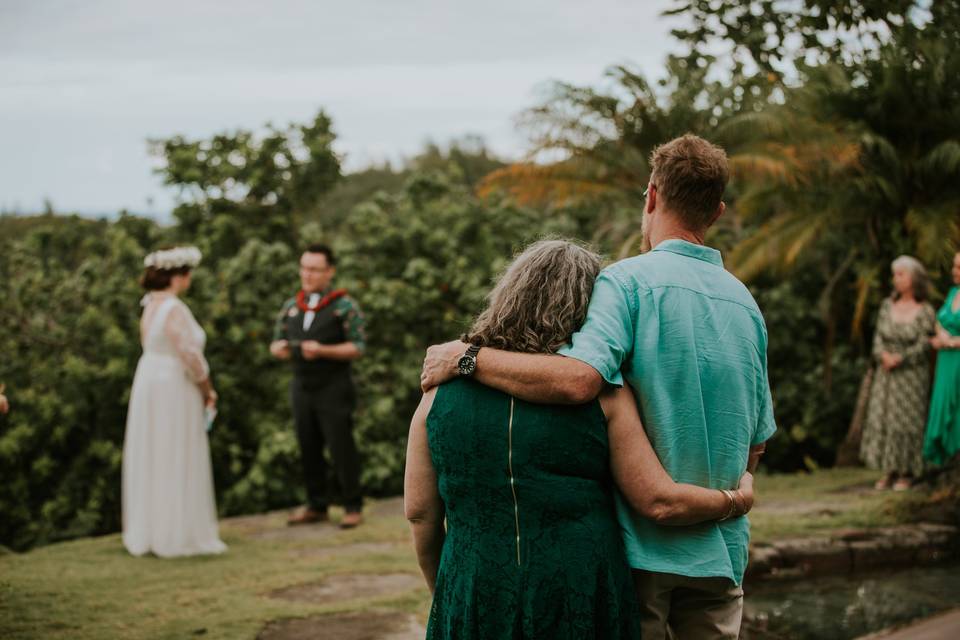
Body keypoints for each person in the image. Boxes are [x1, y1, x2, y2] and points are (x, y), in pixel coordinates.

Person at [421, 134, 776, 640]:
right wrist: (728, 496)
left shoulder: (626, 282)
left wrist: (468, 356)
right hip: (720, 554)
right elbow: (757, 439)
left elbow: (579, 381)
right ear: (716, 211)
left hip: (642, 553)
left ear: (651, 195)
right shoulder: (746, 305)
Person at [122, 246, 226, 557]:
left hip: (149, 380)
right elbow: (190, 355)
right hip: (172, 385)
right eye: (188, 273)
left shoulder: (150, 305)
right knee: (174, 450)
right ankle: (177, 533)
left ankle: (156, 529)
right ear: (178, 276)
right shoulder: (174, 308)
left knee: (155, 451)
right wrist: (207, 388)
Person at [270, 244, 367, 528]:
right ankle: (317, 504)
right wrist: (281, 349)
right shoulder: (291, 306)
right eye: (304, 268)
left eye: (314, 269)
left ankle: (353, 505)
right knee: (307, 444)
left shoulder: (344, 306)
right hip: (301, 385)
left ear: (330, 271)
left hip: (334, 385)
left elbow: (358, 347)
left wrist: (323, 350)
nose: (307, 274)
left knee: (341, 445)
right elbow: (276, 342)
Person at [860, 256, 936, 490]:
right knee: (885, 419)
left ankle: (907, 471)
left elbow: (926, 342)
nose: (896, 279)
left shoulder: (925, 310)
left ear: (914, 278)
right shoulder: (886, 306)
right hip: (886, 373)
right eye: (895, 275)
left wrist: (902, 358)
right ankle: (888, 470)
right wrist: (883, 355)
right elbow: (878, 338)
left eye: (901, 274)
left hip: (912, 375)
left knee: (907, 421)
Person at [923, 251, 960, 466]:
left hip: (957, 359)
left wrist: (952, 342)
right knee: (944, 403)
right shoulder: (953, 292)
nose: (954, 271)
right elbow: (940, 320)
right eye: (954, 266)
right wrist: (940, 334)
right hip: (945, 361)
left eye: (959, 268)